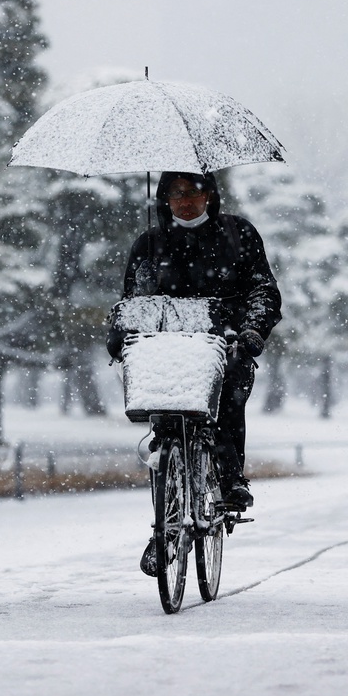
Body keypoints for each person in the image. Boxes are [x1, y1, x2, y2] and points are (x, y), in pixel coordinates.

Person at [108, 171, 282, 575]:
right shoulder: (149, 244)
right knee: (164, 427)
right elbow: (135, 299)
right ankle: (165, 527)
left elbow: (264, 290)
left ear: (210, 195)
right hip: (167, 348)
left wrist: (253, 330)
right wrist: (120, 334)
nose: (185, 201)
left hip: (225, 343)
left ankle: (230, 476)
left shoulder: (239, 235)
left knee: (228, 399)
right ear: (164, 198)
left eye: (193, 192)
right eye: (175, 193)